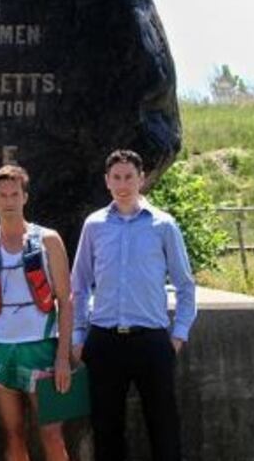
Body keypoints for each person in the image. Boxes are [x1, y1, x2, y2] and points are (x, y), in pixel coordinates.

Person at [71, 149, 197, 461]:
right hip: (104, 339)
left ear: (141, 178)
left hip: (152, 340)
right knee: (106, 429)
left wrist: (178, 335)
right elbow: (80, 283)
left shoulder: (164, 225)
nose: (123, 183)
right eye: (117, 177)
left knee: (164, 426)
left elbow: (185, 285)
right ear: (107, 181)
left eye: (129, 177)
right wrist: (77, 335)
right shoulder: (94, 225)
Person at [0, 165, 73, 461]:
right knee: (13, 434)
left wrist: (63, 357)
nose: (9, 200)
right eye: (3, 195)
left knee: (52, 435)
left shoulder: (48, 239)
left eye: (15, 194)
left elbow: (66, 299)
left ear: (25, 197)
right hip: (1, 352)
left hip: (43, 351)